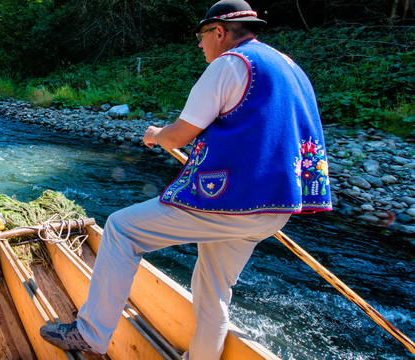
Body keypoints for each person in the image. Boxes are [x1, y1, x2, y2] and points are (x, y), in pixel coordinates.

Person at [39, 0, 332, 359]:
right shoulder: (291, 68)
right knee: (213, 289)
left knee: (121, 229)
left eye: (202, 34)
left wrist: (155, 134)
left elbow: (180, 135)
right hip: (277, 208)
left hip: (230, 200)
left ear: (220, 32)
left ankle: (90, 334)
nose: (199, 44)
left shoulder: (231, 63)